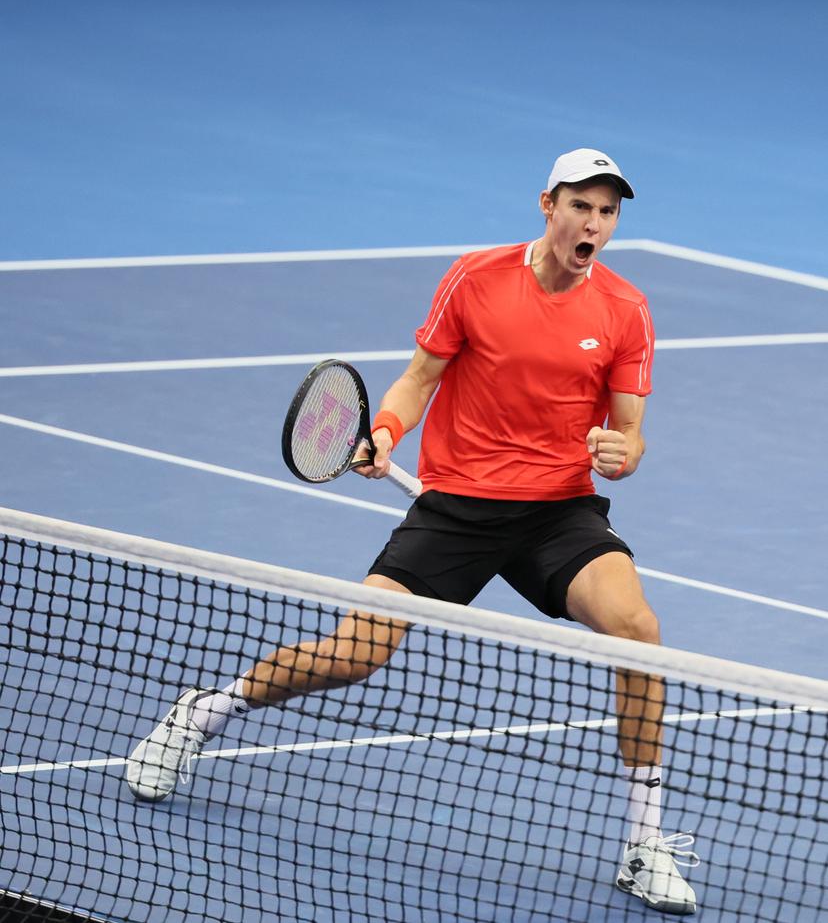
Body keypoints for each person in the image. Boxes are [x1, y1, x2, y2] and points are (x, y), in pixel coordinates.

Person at [126, 147, 699, 915]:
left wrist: (622, 456)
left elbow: (630, 436)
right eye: (580, 206)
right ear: (548, 206)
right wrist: (387, 430)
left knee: (638, 633)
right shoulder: (476, 278)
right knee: (353, 655)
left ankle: (644, 844)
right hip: (456, 506)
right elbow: (420, 376)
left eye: (608, 211)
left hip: (557, 511)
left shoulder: (626, 310)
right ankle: (199, 715)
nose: (593, 223)